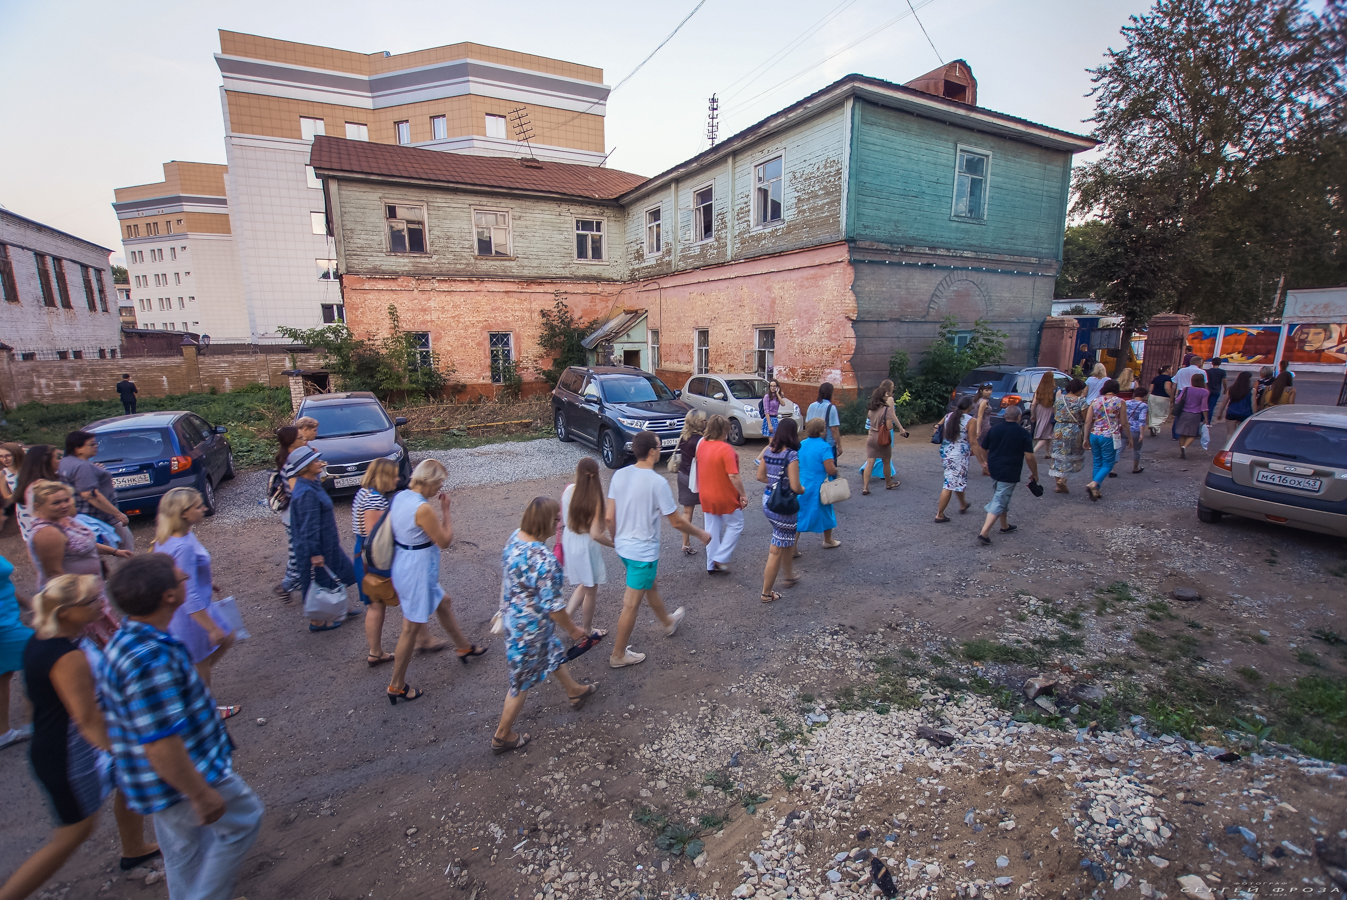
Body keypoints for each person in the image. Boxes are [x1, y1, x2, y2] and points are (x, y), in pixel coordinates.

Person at [101, 555, 263, 900]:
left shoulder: (129, 640)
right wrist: (199, 793)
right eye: (181, 579)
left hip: (164, 780)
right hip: (186, 774)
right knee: (244, 819)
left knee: (184, 849)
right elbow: (160, 741)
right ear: (169, 596)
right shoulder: (150, 660)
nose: (187, 578)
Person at [0, 575, 160, 900]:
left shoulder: (48, 638)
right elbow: (87, 719)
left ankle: (134, 849)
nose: (101, 605)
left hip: (69, 744)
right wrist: (126, 750)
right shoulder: (66, 656)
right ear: (65, 612)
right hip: (69, 755)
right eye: (92, 601)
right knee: (74, 834)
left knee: (127, 785)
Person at [490, 498, 599, 755]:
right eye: (557, 520)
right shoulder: (543, 560)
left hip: (515, 619)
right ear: (545, 522)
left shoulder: (515, 538)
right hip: (530, 629)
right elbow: (554, 607)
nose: (559, 524)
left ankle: (574, 691)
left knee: (551, 653)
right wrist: (573, 630)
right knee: (520, 682)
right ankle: (502, 735)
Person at [605, 431, 710, 669]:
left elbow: (609, 517)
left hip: (624, 549)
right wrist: (700, 533)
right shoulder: (657, 482)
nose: (661, 449)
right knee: (631, 604)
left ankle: (667, 622)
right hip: (642, 554)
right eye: (659, 446)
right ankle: (618, 655)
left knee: (650, 585)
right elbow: (676, 522)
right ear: (652, 452)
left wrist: (616, 538)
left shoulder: (620, 475)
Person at [386, 460, 486, 705]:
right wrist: (446, 511)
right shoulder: (423, 509)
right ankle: (396, 685)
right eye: (439, 483)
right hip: (416, 571)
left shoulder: (400, 497)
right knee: (410, 628)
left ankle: (463, 646)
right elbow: (444, 541)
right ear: (429, 481)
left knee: (444, 602)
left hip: (404, 562)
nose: (441, 487)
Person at [153, 487, 239, 719]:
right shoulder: (183, 546)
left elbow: (180, 574)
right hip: (191, 613)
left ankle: (189, 689)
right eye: (198, 506)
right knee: (201, 661)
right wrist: (209, 627)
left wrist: (207, 581)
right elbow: (188, 591)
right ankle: (205, 710)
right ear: (183, 512)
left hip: (197, 604)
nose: (204, 509)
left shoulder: (175, 537)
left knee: (227, 637)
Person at [25, 481, 130, 645]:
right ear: (38, 505)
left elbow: (85, 543)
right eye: (56, 502)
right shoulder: (48, 533)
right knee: (92, 644)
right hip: (77, 600)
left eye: (66, 500)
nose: (64, 505)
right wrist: (82, 604)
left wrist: (114, 552)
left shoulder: (64, 520)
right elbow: (55, 575)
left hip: (90, 593)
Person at [285, 446, 359, 631]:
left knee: (339, 572)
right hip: (318, 546)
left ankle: (338, 609)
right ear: (305, 467)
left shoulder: (311, 483)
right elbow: (308, 526)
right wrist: (315, 553)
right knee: (319, 582)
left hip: (328, 543)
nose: (320, 463)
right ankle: (317, 621)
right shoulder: (306, 493)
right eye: (315, 461)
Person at [352, 458, 398, 666]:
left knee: (376, 603)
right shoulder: (374, 500)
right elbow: (375, 535)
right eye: (393, 476)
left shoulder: (363, 493)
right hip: (373, 557)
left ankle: (376, 651)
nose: (397, 479)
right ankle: (375, 652)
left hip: (362, 552)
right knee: (377, 603)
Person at [561, 457, 613, 633]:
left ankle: (567, 617)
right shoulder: (594, 499)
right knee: (591, 589)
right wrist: (614, 544)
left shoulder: (568, 490)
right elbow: (596, 534)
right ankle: (588, 630)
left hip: (570, 540)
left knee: (585, 582)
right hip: (585, 546)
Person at [59, 430, 134, 553]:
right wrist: (118, 514)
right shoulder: (82, 466)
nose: (96, 446)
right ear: (78, 449)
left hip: (79, 515)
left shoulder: (65, 462)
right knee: (125, 544)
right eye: (92, 444)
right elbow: (90, 495)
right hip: (98, 515)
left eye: (96, 443)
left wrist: (94, 469)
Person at [755, 418, 804, 604]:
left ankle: (789, 576)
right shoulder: (791, 455)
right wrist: (803, 489)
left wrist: (775, 482)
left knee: (786, 541)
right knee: (776, 549)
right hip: (784, 506)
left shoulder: (768, 450)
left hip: (768, 500)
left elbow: (760, 476)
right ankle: (766, 593)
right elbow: (795, 486)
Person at [976, 406, 1039, 545]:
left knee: (1000, 494)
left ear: (1005, 416)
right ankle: (984, 533)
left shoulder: (994, 429)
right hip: (1010, 469)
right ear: (1019, 417)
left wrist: (986, 463)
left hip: (994, 468)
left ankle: (1004, 526)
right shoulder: (1023, 433)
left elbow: (983, 448)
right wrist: (1034, 473)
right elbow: (1029, 457)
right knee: (1000, 499)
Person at [696, 415, 746, 575]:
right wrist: (743, 494)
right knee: (736, 524)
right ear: (723, 430)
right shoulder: (725, 449)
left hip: (706, 494)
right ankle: (721, 557)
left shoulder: (702, 444)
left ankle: (711, 563)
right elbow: (733, 476)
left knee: (711, 529)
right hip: (724, 494)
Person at [0, 545, 34, 751]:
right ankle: (32, 721)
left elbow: (4, 583)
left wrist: (28, 604)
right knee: (40, 656)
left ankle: (3, 732)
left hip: (8, 619)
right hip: (3, 626)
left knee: (4, 673)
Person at [1082, 379, 1132, 501]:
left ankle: (1096, 490)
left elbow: (1088, 421)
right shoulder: (1120, 402)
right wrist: (1130, 437)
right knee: (1109, 463)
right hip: (1109, 435)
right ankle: (1094, 484)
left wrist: (1085, 438)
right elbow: (1124, 422)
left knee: (1097, 462)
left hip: (1094, 434)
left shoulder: (1095, 401)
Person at [796, 419, 842, 549]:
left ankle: (792, 547)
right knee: (826, 512)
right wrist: (836, 472)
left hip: (803, 483)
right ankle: (828, 540)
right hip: (819, 486)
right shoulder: (824, 447)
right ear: (821, 431)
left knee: (800, 515)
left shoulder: (802, 444)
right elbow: (830, 469)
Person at [272, 425, 304, 600]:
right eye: (300, 438)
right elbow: (296, 492)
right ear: (291, 442)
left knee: (298, 553)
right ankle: (285, 586)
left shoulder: (289, 460)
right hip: (295, 517)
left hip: (292, 515)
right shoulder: (291, 464)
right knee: (297, 555)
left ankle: (302, 587)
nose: (304, 440)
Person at [935, 397, 977, 522]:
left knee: (955, 479)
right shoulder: (970, 420)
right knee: (949, 483)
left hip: (947, 451)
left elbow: (937, 427)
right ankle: (939, 514)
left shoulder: (949, 416)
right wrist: (983, 461)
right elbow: (973, 441)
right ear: (969, 407)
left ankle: (963, 503)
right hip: (958, 455)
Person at [861, 380, 907, 494]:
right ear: (882, 396)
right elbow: (889, 426)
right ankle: (888, 483)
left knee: (870, 462)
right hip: (882, 437)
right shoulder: (887, 409)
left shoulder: (871, 409)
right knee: (886, 461)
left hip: (871, 436)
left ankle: (865, 487)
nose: (887, 395)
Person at [674, 410, 707, 556]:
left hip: (683, 474)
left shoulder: (684, 436)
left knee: (687, 512)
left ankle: (685, 543)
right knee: (708, 510)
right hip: (696, 477)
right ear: (697, 422)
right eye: (703, 420)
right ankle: (709, 540)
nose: (705, 423)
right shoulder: (700, 440)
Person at [1048, 378, 1089, 494]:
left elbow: (1055, 414)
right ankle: (1063, 480)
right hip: (1074, 430)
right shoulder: (1081, 401)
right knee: (1072, 455)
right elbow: (1086, 418)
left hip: (1059, 429)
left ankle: (1058, 484)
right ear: (1078, 389)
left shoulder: (1059, 400)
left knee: (1058, 455)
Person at [14, 445, 60, 543]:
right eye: (56, 458)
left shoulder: (25, 481)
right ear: (46, 462)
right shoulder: (44, 487)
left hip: (32, 535)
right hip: (49, 537)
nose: (59, 461)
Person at [1173, 373, 1210, 459]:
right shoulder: (1204, 392)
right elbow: (1204, 406)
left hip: (1183, 413)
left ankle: (1181, 450)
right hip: (1195, 414)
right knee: (1192, 434)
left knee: (1182, 433)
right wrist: (1206, 418)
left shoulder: (1186, 389)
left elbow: (1178, 399)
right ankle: (1185, 447)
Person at [805, 383, 842, 461]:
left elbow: (807, 424)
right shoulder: (831, 408)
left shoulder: (811, 406)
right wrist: (839, 446)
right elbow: (834, 429)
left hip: (812, 443)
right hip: (827, 444)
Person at [1030, 374, 1056, 457]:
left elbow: (1033, 404)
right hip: (1050, 410)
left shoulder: (1039, 390)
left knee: (1046, 432)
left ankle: (1047, 453)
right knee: (1047, 433)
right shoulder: (1054, 390)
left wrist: (1032, 414)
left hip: (1040, 409)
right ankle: (1033, 451)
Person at [1125, 386, 1149, 474]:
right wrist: (1142, 433)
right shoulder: (1143, 406)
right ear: (1144, 395)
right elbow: (1142, 420)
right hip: (1135, 429)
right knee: (1137, 449)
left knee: (1119, 449)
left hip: (1124, 428)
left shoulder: (1126, 402)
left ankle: (1113, 469)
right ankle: (1135, 467)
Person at [1147, 366, 1174, 435]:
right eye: (1171, 369)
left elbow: (1150, 389)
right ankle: (1155, 426)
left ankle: (1153, 426)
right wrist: (1172, 396)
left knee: (1153, 413)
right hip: (1163, 397)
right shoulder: (1168, 378)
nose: (1172, 371)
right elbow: (1167, 388)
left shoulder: (1156, 378)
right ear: (1167, 370)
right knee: (1163, 414)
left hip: (1152, 396)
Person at [0, 443, 23, 518]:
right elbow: (7, 496)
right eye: (1, 456)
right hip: (22, 509)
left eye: (8, 455)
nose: (5, 459)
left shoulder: (27, 469)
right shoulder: (2, 474)